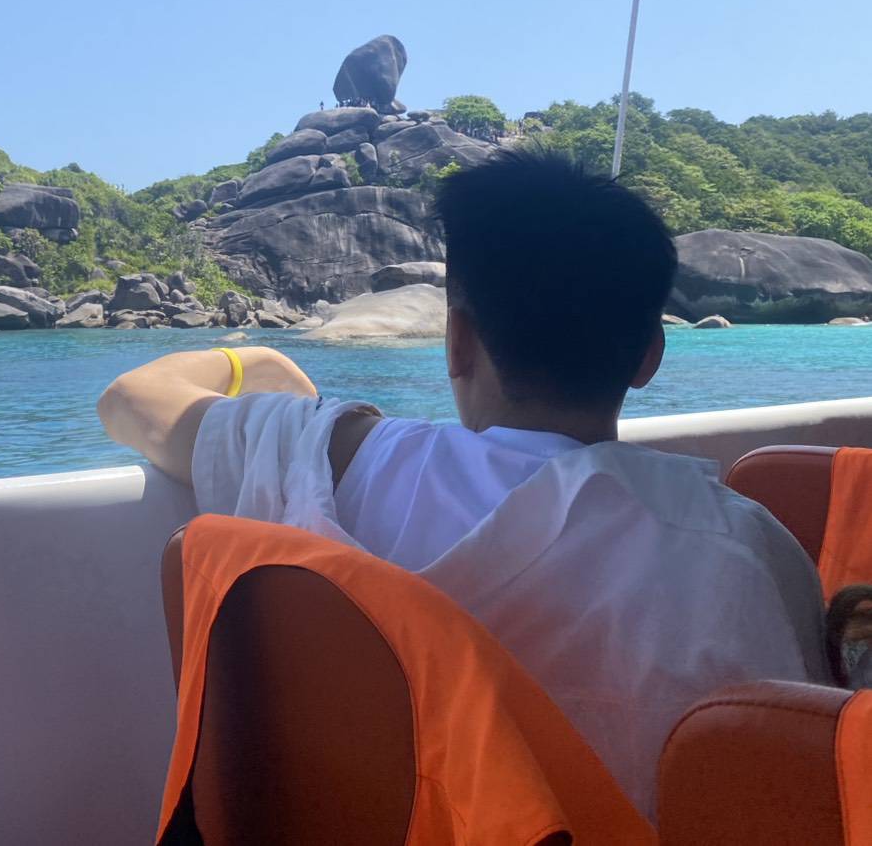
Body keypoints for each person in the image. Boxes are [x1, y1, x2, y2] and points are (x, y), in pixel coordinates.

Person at [98, 150, 829, 819]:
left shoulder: (334, 462)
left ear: (457, 341)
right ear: (649, 357)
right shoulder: (747, 550)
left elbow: (132, 400)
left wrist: (258, 363)